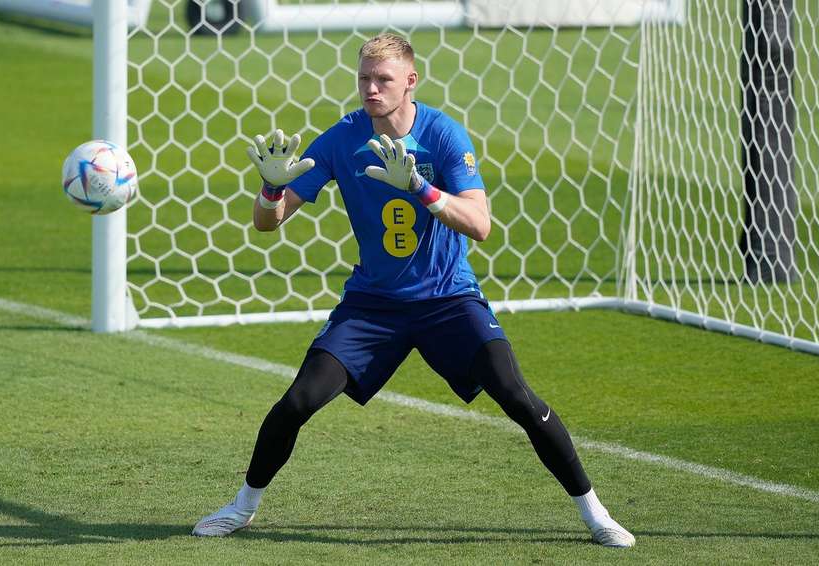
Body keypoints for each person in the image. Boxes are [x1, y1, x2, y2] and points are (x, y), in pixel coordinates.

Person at [192, 33, 635, 548]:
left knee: (514, 393)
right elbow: (268, 223)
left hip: (448, 299)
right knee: (298, 401)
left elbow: (480, 224)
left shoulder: (444, 136)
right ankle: (241, 507)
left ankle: (596, 514)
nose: (371, 89)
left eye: (383, 79)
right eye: (364, 78)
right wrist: (270, 189)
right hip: (373, 306)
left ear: (410, 81)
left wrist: (421, 189)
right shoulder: (341, 139)